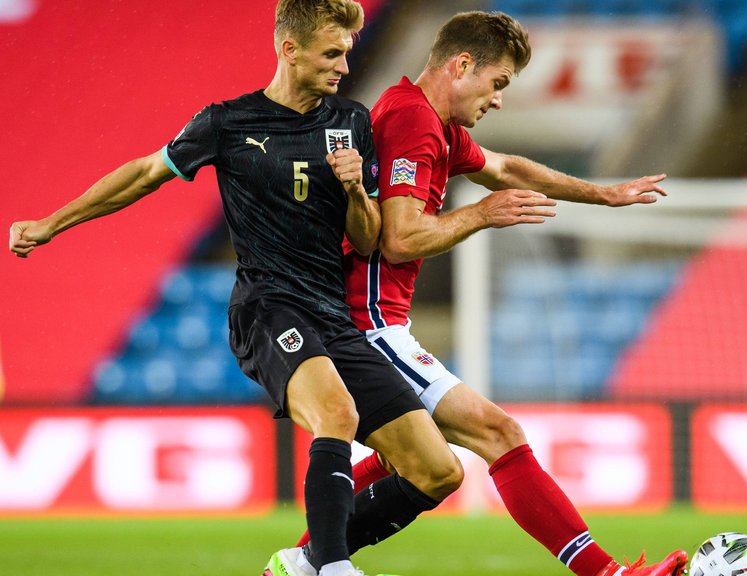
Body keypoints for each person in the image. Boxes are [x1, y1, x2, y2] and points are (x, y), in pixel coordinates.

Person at [8, 2, 464, 576]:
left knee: (437, 470)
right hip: (268, 308)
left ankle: (300, 562)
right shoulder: (227, 123)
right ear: (289, 49)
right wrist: (52, 223)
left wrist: (355, 190)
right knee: (337, 415)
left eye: (347, 52)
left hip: (333, 314)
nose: (344, 65)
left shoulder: (349, 121)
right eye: (331, 53)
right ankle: (332, 566)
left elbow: (369, 241)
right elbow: (145, 174)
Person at [289, 10, 688, 576]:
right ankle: (606, 572)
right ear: (462, 64)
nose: (498, 100)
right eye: (497, 83)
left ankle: (302, 565)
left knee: (411, 455)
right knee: (495, 434)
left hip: (372, 320)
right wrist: (480, 214)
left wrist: (603, 194)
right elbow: (401, 239)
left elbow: (504, 167)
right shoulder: (411, 121)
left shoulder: (431, 123)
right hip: (363, 322)